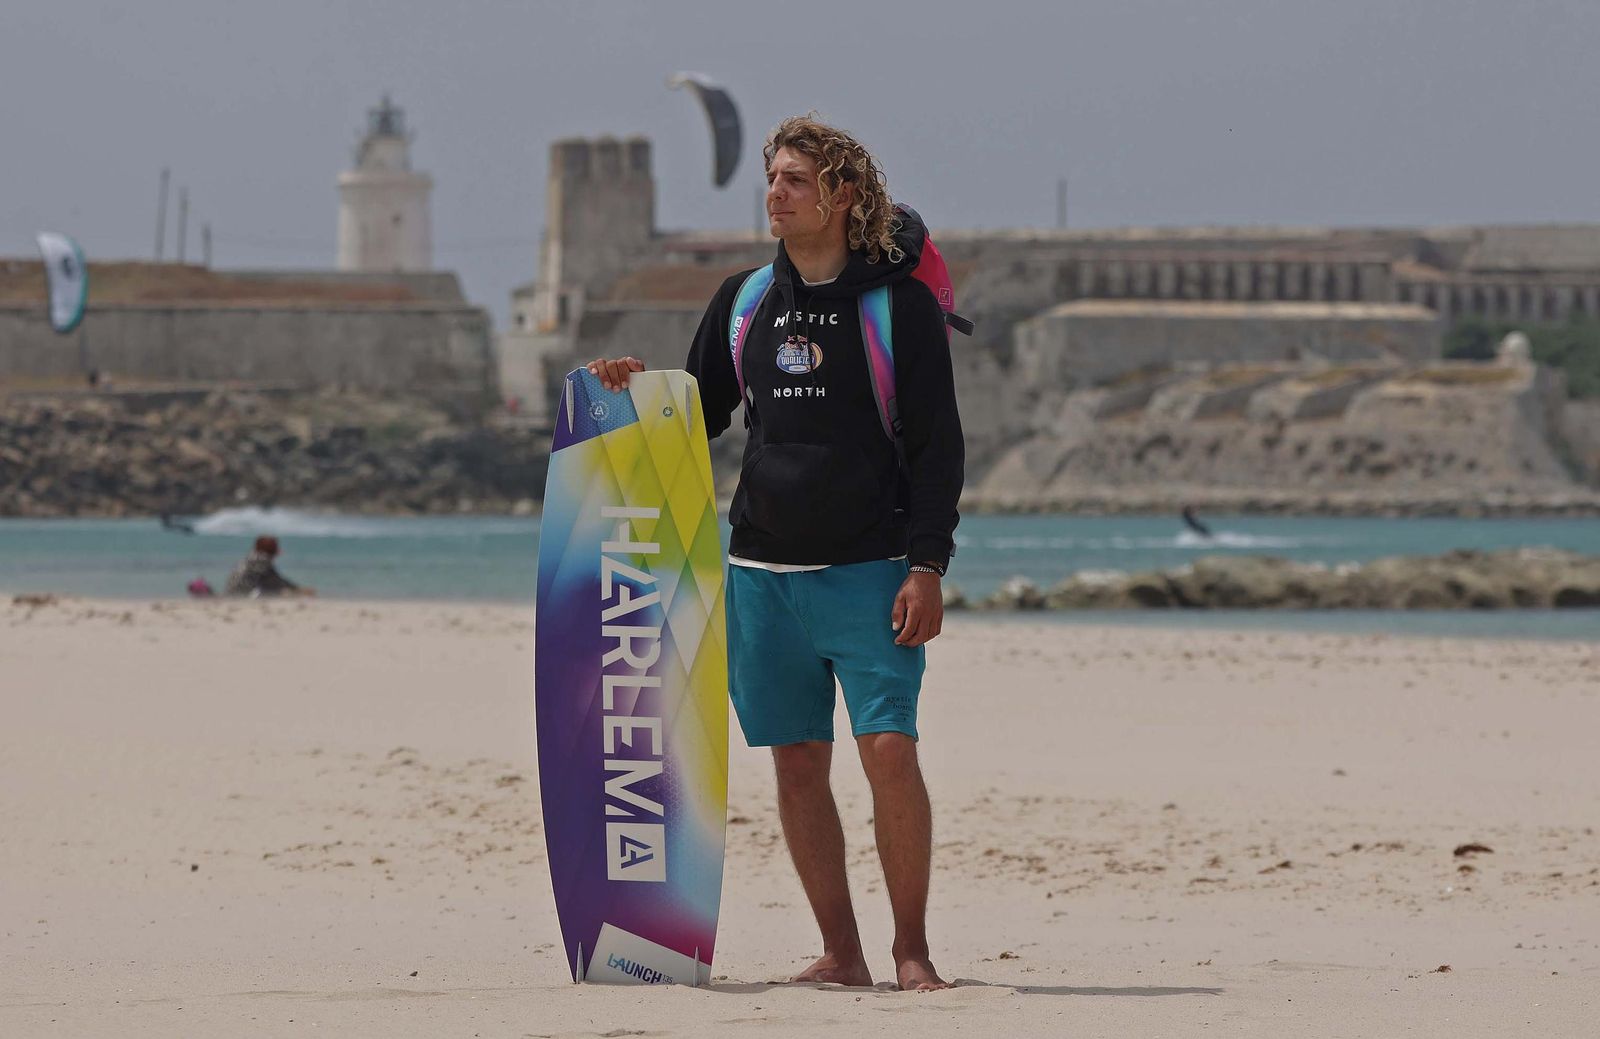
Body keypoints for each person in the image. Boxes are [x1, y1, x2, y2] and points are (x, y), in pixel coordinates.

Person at [587, 115, 963, 991]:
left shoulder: (898, 309)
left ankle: (911, 948)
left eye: (796, 180)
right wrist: (627, 390)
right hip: (760, 573)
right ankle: (842, 950)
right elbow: (694, 417)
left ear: (842, 195)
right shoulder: (744, 300)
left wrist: (927, 564)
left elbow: (937, 448)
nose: (776, 194)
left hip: (870, 573)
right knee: (796, 762)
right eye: (773, 178)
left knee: (889, 752)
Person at [224, 535, 314, 597]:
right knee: (282, 593)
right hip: (243, 594)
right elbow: (277, 580)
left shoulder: (251, 558)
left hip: (231, 592)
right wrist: (298, 589)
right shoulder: (261, 560)